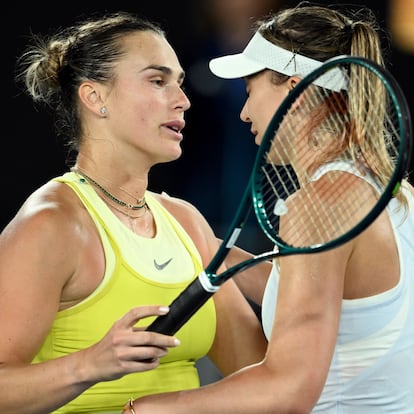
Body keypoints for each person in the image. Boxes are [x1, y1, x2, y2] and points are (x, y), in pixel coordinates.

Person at [127, 3, 414, 413]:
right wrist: (217, 252)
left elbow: (289, 389)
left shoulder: (320, 203)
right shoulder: (393, 194)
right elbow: (322, 294)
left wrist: (151, 408)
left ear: (294, 90)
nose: (244, 112)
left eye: (250, 91)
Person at [0, 11, 267, 414]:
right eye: (158, 81)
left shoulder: (186, 222)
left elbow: (261, 374)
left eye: (178, 82)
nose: (183, 99)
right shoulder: (51, 223)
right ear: (95, 98)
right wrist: (89, 364)